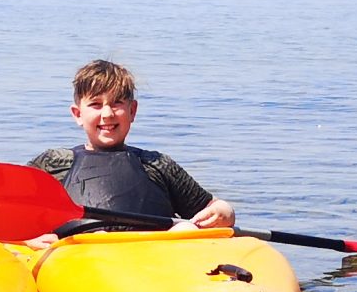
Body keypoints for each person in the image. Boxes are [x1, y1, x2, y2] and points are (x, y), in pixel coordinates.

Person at [28, 59, 236, 231]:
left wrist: (225, 212)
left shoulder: (157, 165)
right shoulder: (53, 163)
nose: (107, 114)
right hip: (80, 259)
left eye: (117, 103)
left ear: (132, 111)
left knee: (186, 229)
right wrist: (31, 239)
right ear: (78, 114)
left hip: (145, 260)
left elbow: (211, 207)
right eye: (96, 104)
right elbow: (6, 210)